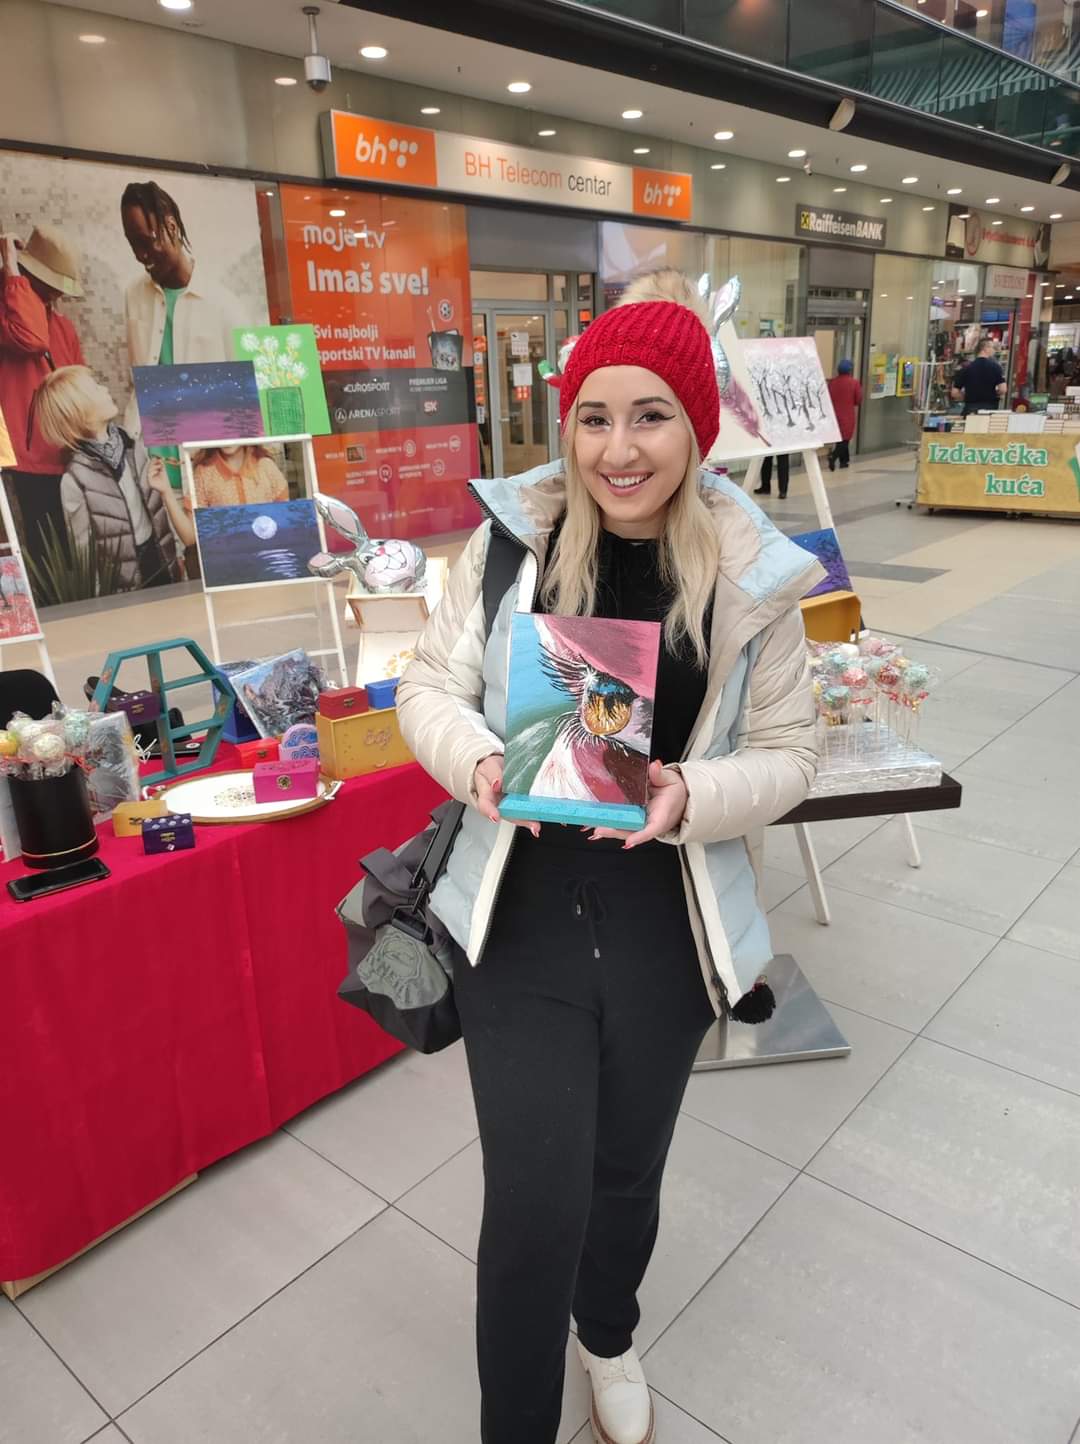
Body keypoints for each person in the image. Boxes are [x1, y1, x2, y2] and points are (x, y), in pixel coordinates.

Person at [396, 269, 821, 1444]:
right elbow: (428, 687)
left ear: (696, 426)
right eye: (594, 416)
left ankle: (610, 1330)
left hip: (663, 923)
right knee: (535, 1201)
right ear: (567, 421)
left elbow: (792, 751)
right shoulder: (510, 545)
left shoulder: (751, 576)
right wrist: (483, 760)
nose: (618, 450)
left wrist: (691, 793)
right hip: (520, 915)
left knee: (627, 1171)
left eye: (650, 417)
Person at [32, 365, 186, 590]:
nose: (105, 389)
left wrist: (177, 553)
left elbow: (158, 508)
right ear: (80, 412)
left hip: (162, 563)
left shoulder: (134, 446)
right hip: (123, 586)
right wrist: (102, 594)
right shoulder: (76, 478)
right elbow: (83, 549)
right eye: (96, 388)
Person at [0, 225, 86, 559]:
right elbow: (32, 338)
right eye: (51, 284)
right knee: (44, 556)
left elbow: (81, 385)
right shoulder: (8, 315)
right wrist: (11, 268)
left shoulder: (63, 326)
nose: (57, 293)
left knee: (74, 554)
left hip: (66, 455)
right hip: (25, 460)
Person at [191, 444, 288, 507]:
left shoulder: (266, 465)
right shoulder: (203, 473)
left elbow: (285, 516)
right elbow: (193, 530)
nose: (227, 437)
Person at [951, 337, 1007, 415]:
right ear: (985, 348)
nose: (994, 350)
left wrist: (967, 397)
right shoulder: (996, 367)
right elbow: (1003, 389)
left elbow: (954, 393)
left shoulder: (966, 368)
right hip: (990, 408)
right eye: (992, 347)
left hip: (971, 408)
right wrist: (993, 394)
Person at [826, 358, 863, 471]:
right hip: (847, 415)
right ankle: (833, 456)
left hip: (833, 414)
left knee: (840, 438)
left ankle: (844, 461)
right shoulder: (854, 383)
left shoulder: (832, 383)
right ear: (850, 370)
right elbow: (858, 400)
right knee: (845, 439)